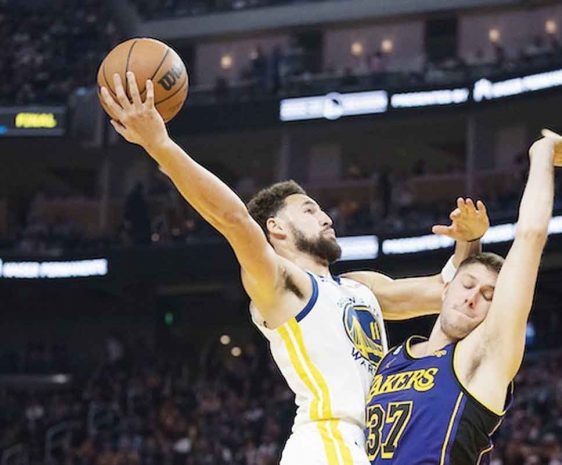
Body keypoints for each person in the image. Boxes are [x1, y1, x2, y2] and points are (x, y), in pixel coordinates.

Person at [99, 73, 490, 465]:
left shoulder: (359, 287)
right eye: (308, 210)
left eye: (320, 208)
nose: (325, 216)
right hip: (326, 440)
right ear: (276, 228)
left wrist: (468, 240)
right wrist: (159, 144)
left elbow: (445, 292)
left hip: (370, 446)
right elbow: (233, 218)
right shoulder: (282, 286)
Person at [365, 133, 562, 464]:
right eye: (467, 285)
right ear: (446, 286)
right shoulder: (390, 359)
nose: (471, 299)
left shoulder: (481, 358)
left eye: (488, 296)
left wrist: (542, 154)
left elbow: (531, 235)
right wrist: (470, 242)